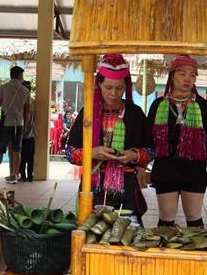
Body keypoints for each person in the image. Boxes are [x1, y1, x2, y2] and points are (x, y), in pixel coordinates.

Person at [66, 54, 155, 223]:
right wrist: (92, 152)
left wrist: (134, 155)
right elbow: (70, 153)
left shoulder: (135, 113)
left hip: (126, 186)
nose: (113, 93)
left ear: (125, 87)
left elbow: (151, 150)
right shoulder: (88, 112)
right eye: (108, 87)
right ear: (98, 84)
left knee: (127, 237)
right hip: (92, 186)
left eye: (119, 88)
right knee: (91, 236)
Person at [148, 55, 207, 228]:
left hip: (194, 170)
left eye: (192, 75)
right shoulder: (158, 104)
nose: (187, 79)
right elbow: (148, 141)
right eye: (182, 74)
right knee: (166, 221)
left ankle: (196, 254)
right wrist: (142, 166)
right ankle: (164, 255)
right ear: (172, 76)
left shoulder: (203, 106)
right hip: (165, 169)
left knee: (194, 220)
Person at [0, 66, 31, 184]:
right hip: (19, 124)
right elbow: (27, 111)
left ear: (11, 75)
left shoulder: (3, 88)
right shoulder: (26, 91)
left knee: (0, 150)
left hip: (6, 122)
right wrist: (25, 125)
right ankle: (13, 175)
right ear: (20, 76)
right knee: (17, 150)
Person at [19, 80, 35, 182]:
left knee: (23, 157)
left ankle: (25, 176)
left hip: (24, 133)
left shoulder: (22, 101)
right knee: (29, 157)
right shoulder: (32, 101)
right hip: (30, 134)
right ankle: (28, 176)